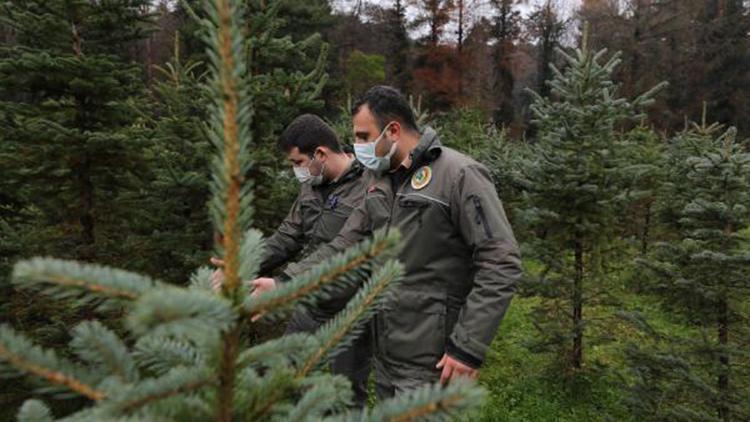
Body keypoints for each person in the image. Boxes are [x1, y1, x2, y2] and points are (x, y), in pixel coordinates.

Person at [258, 86, 522, 397]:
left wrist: (468, 346)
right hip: (387, 355)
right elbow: (345, 245)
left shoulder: (459, 175)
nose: (356, 147)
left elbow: (501, 262)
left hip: (431, 360)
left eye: (363, 137)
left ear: (393, 130)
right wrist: (285, 283)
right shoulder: (376, 182)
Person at [212, 114, 371, 406]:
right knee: (285, 380)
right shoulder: (312, 186)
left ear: (320, 154)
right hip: (311, 303)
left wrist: (284, 282)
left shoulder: (369, 185)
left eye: (298, 163)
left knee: (345, 396)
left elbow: (344, 248)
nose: (297, 171)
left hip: (353, 307)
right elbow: (287, 235)